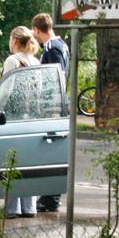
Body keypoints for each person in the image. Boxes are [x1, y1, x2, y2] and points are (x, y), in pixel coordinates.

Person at [0, 26, 41, 218]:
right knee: (29, 162)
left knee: (12, 161)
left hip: (14, 117)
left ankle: (12, 208)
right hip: (32, 116)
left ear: (15, 40)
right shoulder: (35, 61)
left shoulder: (13, 60)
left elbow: (6, 90)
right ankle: (30, 206)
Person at [31, 12, 70, 212]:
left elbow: (57, 76)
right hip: (58, 101)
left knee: (51, 151)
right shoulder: (62, 44)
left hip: (53, 103)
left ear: (37, 30)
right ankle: (50, 195)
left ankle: (51, 197)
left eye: (35, 32)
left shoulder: (51, 48)